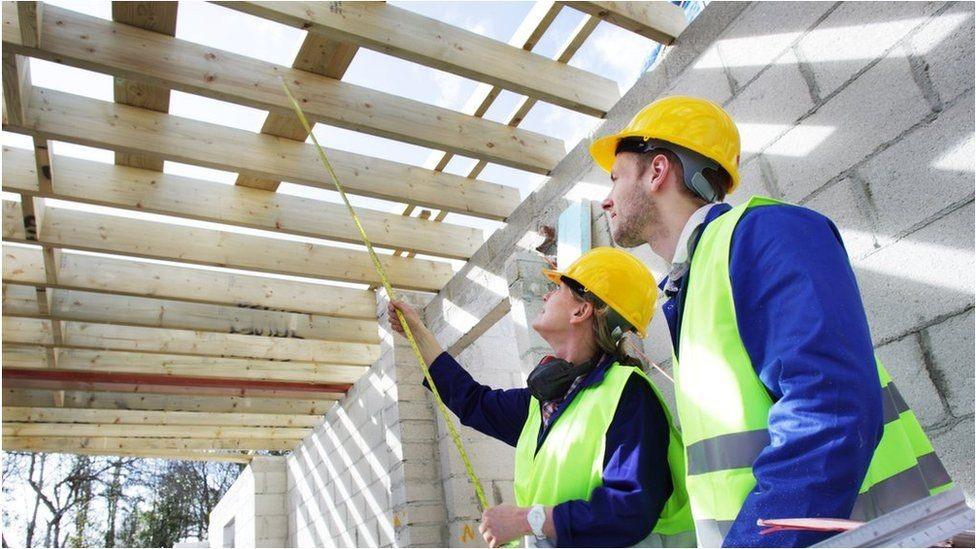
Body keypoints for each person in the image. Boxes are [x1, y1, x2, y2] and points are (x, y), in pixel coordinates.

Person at [590, 96, 953, 547]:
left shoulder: (762, 234)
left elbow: (830, 412)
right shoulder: (697, 279)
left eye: (615, 178)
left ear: (658, 170)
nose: (606, 201)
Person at [388, 247, 695, 548]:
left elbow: (630, 509)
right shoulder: (545, 404)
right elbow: (472, 402)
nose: (546, 296)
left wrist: (529, 521)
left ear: (582, 309)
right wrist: (417, 334)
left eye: (556, 289)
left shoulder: (628, 395)